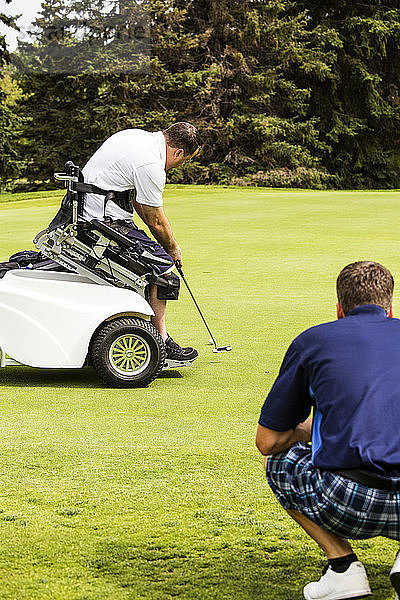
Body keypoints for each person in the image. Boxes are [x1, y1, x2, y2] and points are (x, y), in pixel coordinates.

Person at [256, 261, 400, 600]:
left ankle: (342, 568)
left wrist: (307, 430)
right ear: (391, 307)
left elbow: (267, 441)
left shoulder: (313, 341)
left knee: (277, 462)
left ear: (339, 309)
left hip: (347, 500)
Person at [57, 122, 201, 363]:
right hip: (100, 223)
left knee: (151, 260)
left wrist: (153, 236)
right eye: (184, 160)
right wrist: (172, 249)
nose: (179, 165)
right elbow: (156, 220)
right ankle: (160, 342)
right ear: (178, 152)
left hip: (89, 214)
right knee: (164, 270)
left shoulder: (135, 137)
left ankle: (152, 333)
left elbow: (139, 203)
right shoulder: (151, 165)